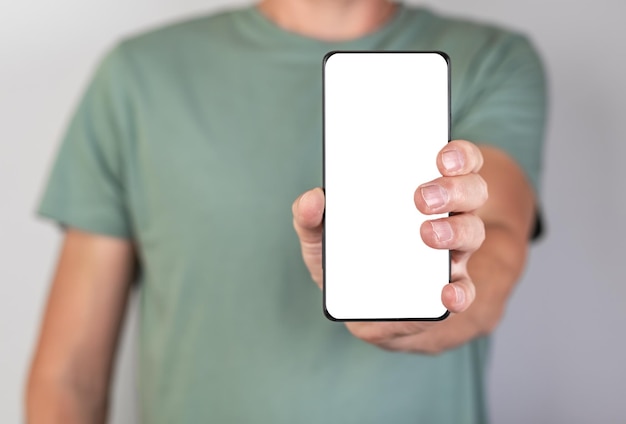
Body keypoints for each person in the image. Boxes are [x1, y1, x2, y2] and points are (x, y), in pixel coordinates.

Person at [25, 0, 546, 422]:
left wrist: (421, 310)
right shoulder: (137, 75)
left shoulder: (491, 59)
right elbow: (70, 378)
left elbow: (495, 247)